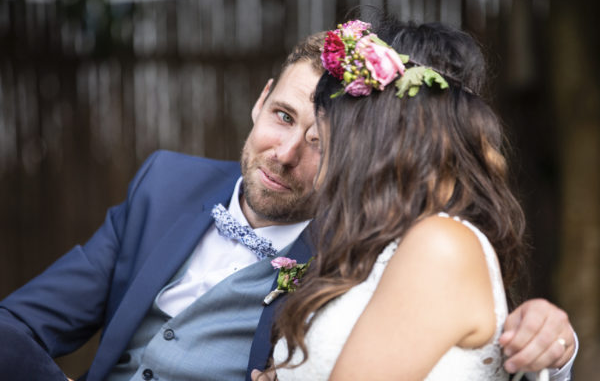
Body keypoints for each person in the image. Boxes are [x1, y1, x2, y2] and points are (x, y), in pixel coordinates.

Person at [0, 27, 575, 381]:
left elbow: (463, 332)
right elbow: (15, 325)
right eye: (282, 117)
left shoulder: (365, 241)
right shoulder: (165, 184)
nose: (285, 153)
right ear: (258, 103)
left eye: (321, 143)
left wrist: (552, 339)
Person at [252, 19, 577, 381]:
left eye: (323, 143)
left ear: (371, 138)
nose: (320, 169)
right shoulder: (375, 249)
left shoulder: (439, 245)